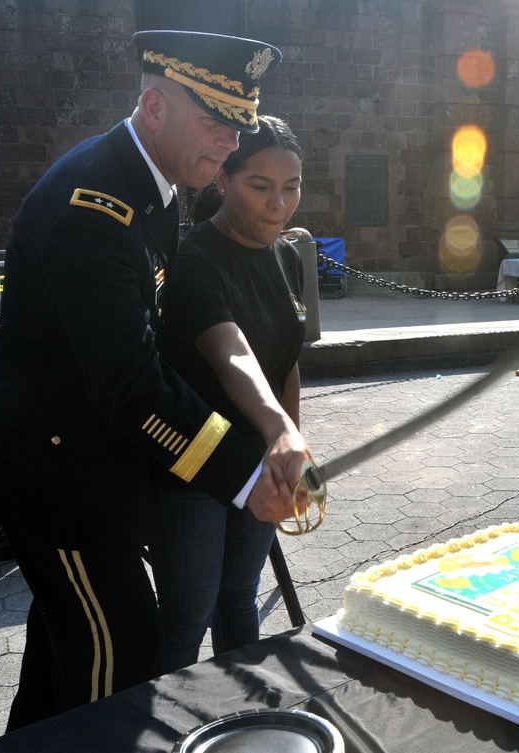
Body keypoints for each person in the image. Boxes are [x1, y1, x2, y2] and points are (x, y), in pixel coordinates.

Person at [0, 30, 306, 731]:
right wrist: (246, 474)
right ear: (154, 106)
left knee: (64, 663)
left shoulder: (149, 185)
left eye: (237, 125)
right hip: (57, 475)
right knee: (118, 671)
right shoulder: (97, 206)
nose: (227, 143)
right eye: (214, 123)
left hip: (88, 465)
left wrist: (272, 431)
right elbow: (129, 383)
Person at [147, 116, 310, 673]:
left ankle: (241, 720)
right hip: (199, 456)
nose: (279, 205)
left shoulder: (288, 255)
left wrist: (292, 443)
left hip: (260, 460)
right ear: (223, 180)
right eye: (260, 186)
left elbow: (287, 358)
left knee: (240, 597)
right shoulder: (196, 260)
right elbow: (231, 352)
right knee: (187, 615)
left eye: (291, 188)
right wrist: (278, 431)